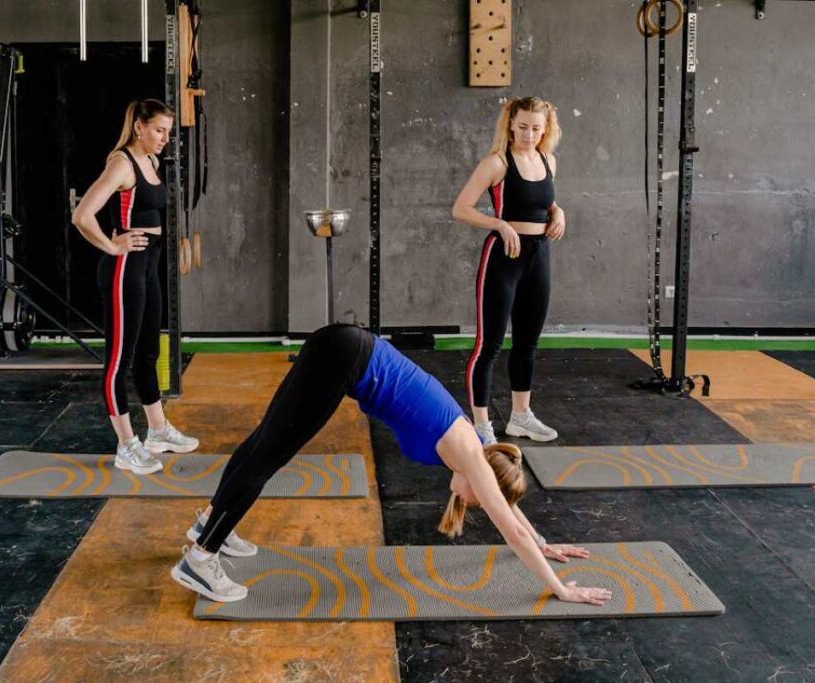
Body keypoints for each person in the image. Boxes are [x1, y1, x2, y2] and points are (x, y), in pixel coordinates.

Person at [170, 324, 611, 608]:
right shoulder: (474, 458)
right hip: (345, 358)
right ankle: (201, 557)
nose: (476, 504)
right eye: (483, 499)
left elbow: (511, 511)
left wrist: (544, 541)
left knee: (262, 444)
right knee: (268, 456)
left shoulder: (474, 451)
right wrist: (561, 587)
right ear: (485, 483)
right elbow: (508, 527)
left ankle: (210, 524)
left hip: (343, 346)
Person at [71, 99, 198, 475]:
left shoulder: (152, 162)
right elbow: (82, 215)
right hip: (124, 268)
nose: (164, 138)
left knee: (148, 354)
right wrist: (112, 245)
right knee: (118, 361)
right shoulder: (121, 164)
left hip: (148, 266)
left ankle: (157, 431)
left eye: (168, 132)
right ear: (139, 127)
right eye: (159, 130)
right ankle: (126, 445)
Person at [452, 96, 566, 446]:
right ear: (510, 125)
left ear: (546, 128)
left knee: (528, 343)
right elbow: (461, 209)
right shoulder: (497, 163)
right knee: (489, 345)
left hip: (539, 255)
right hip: (503, 258)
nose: (529, 135)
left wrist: (559, 211)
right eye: (522, 127)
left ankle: (520, 417)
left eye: (536, 128)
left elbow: (543, 203)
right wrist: (499, 225)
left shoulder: (548, 160)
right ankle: (482, 424)